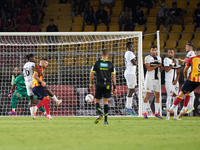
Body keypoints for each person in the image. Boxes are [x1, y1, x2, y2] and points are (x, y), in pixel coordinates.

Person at [164, 48, 200, 119]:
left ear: (195, 53)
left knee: (181, 93)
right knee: (188, 92)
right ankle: (184, 108)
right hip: (198, 81)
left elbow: (185, 70)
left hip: (191, 79)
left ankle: (172, 108)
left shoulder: (191, 59)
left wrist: (186, 77)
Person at [90, 49, 116, 124]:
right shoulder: (111, 64)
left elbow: (91, 75)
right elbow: (113, 77)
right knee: (106, 101)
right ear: (108, 55)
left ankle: (99, 112)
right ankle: (105, 120)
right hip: (108, 84)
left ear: (101, 55)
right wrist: (114, 87)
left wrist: (90, 83)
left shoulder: (97, 63)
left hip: (99, 84)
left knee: (97, 101)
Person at [143, 45, 163, 119]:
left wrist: (162, 67)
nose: (154, 51)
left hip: (157, 79)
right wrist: (158, 65)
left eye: (155, 50)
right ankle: (144, 112)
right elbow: (148, 68)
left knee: (157, 95)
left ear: (157, 50)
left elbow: (160, 69)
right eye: (152, 50)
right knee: (147, 94)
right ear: (150, 50)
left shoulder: (159, 58)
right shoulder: (147, 58)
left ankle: (157, 112)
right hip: (149, 79)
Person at [23, 54, 43, 118]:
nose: (35, 59)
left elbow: (23, 74)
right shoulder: (32, 63)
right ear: (31, 58)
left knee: (31, 99)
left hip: (27, 83)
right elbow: (33, 68)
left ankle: (32, 114)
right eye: (34, 58)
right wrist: (39, 71)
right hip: (32, 82)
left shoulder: (25, 65)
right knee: (43, 94)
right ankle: (39, 108)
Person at [178, 43, 196, 114]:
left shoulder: (191, 52)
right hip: (191, 72)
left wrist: (181, 60)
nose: (185, 47)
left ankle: (190, 105)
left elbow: (187, 60)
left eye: (186, 46)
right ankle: (190, 105)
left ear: (190, 47)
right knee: (190, 90)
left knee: (188, 89)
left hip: (190, 72)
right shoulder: (192, 53)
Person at [163, 49, 181, 120]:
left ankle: (175, 116)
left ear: (174, 53)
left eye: (172, 52)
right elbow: (167, 70)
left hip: (175, 82)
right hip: (169, 81)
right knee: (169, 96)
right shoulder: (166, 60)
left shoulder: (176, 60)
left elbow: (178, 71)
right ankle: (168, 116)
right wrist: (173, 63)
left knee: (176, 97)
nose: (170, 53)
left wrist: (176, 80)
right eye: (169, 52)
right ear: (168, 53)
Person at [124, 42, 137, 116]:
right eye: (133, 46)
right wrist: (137, 58)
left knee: (132, 90)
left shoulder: (126, 53)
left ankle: (129, 107)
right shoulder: (130, 53)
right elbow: (135, 63)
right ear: (131, 46)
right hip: (130, 73)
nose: (133, 48)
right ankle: (128, 107)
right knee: (131, 90)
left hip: (129, 72)